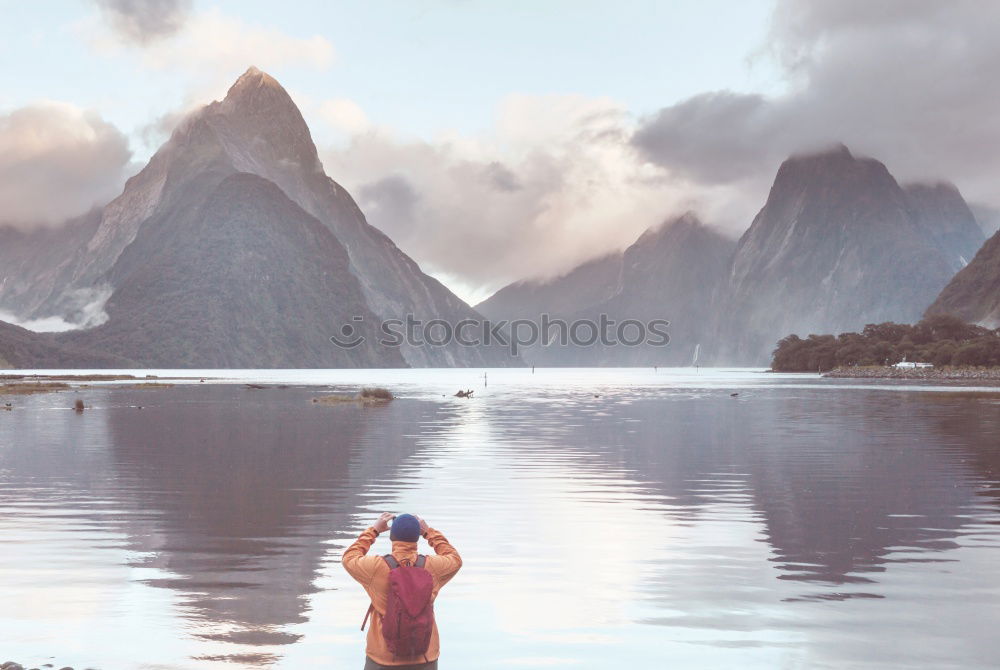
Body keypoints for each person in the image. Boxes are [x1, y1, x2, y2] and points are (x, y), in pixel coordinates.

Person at [343, 512, 462, 669]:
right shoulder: (433, 567)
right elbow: (455, 559)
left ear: (392, 537)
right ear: (417, 537)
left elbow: (349, 558)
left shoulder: (375, 567)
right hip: (425, 657)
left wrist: (374, 531)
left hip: (383, 658)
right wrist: (429, 532)